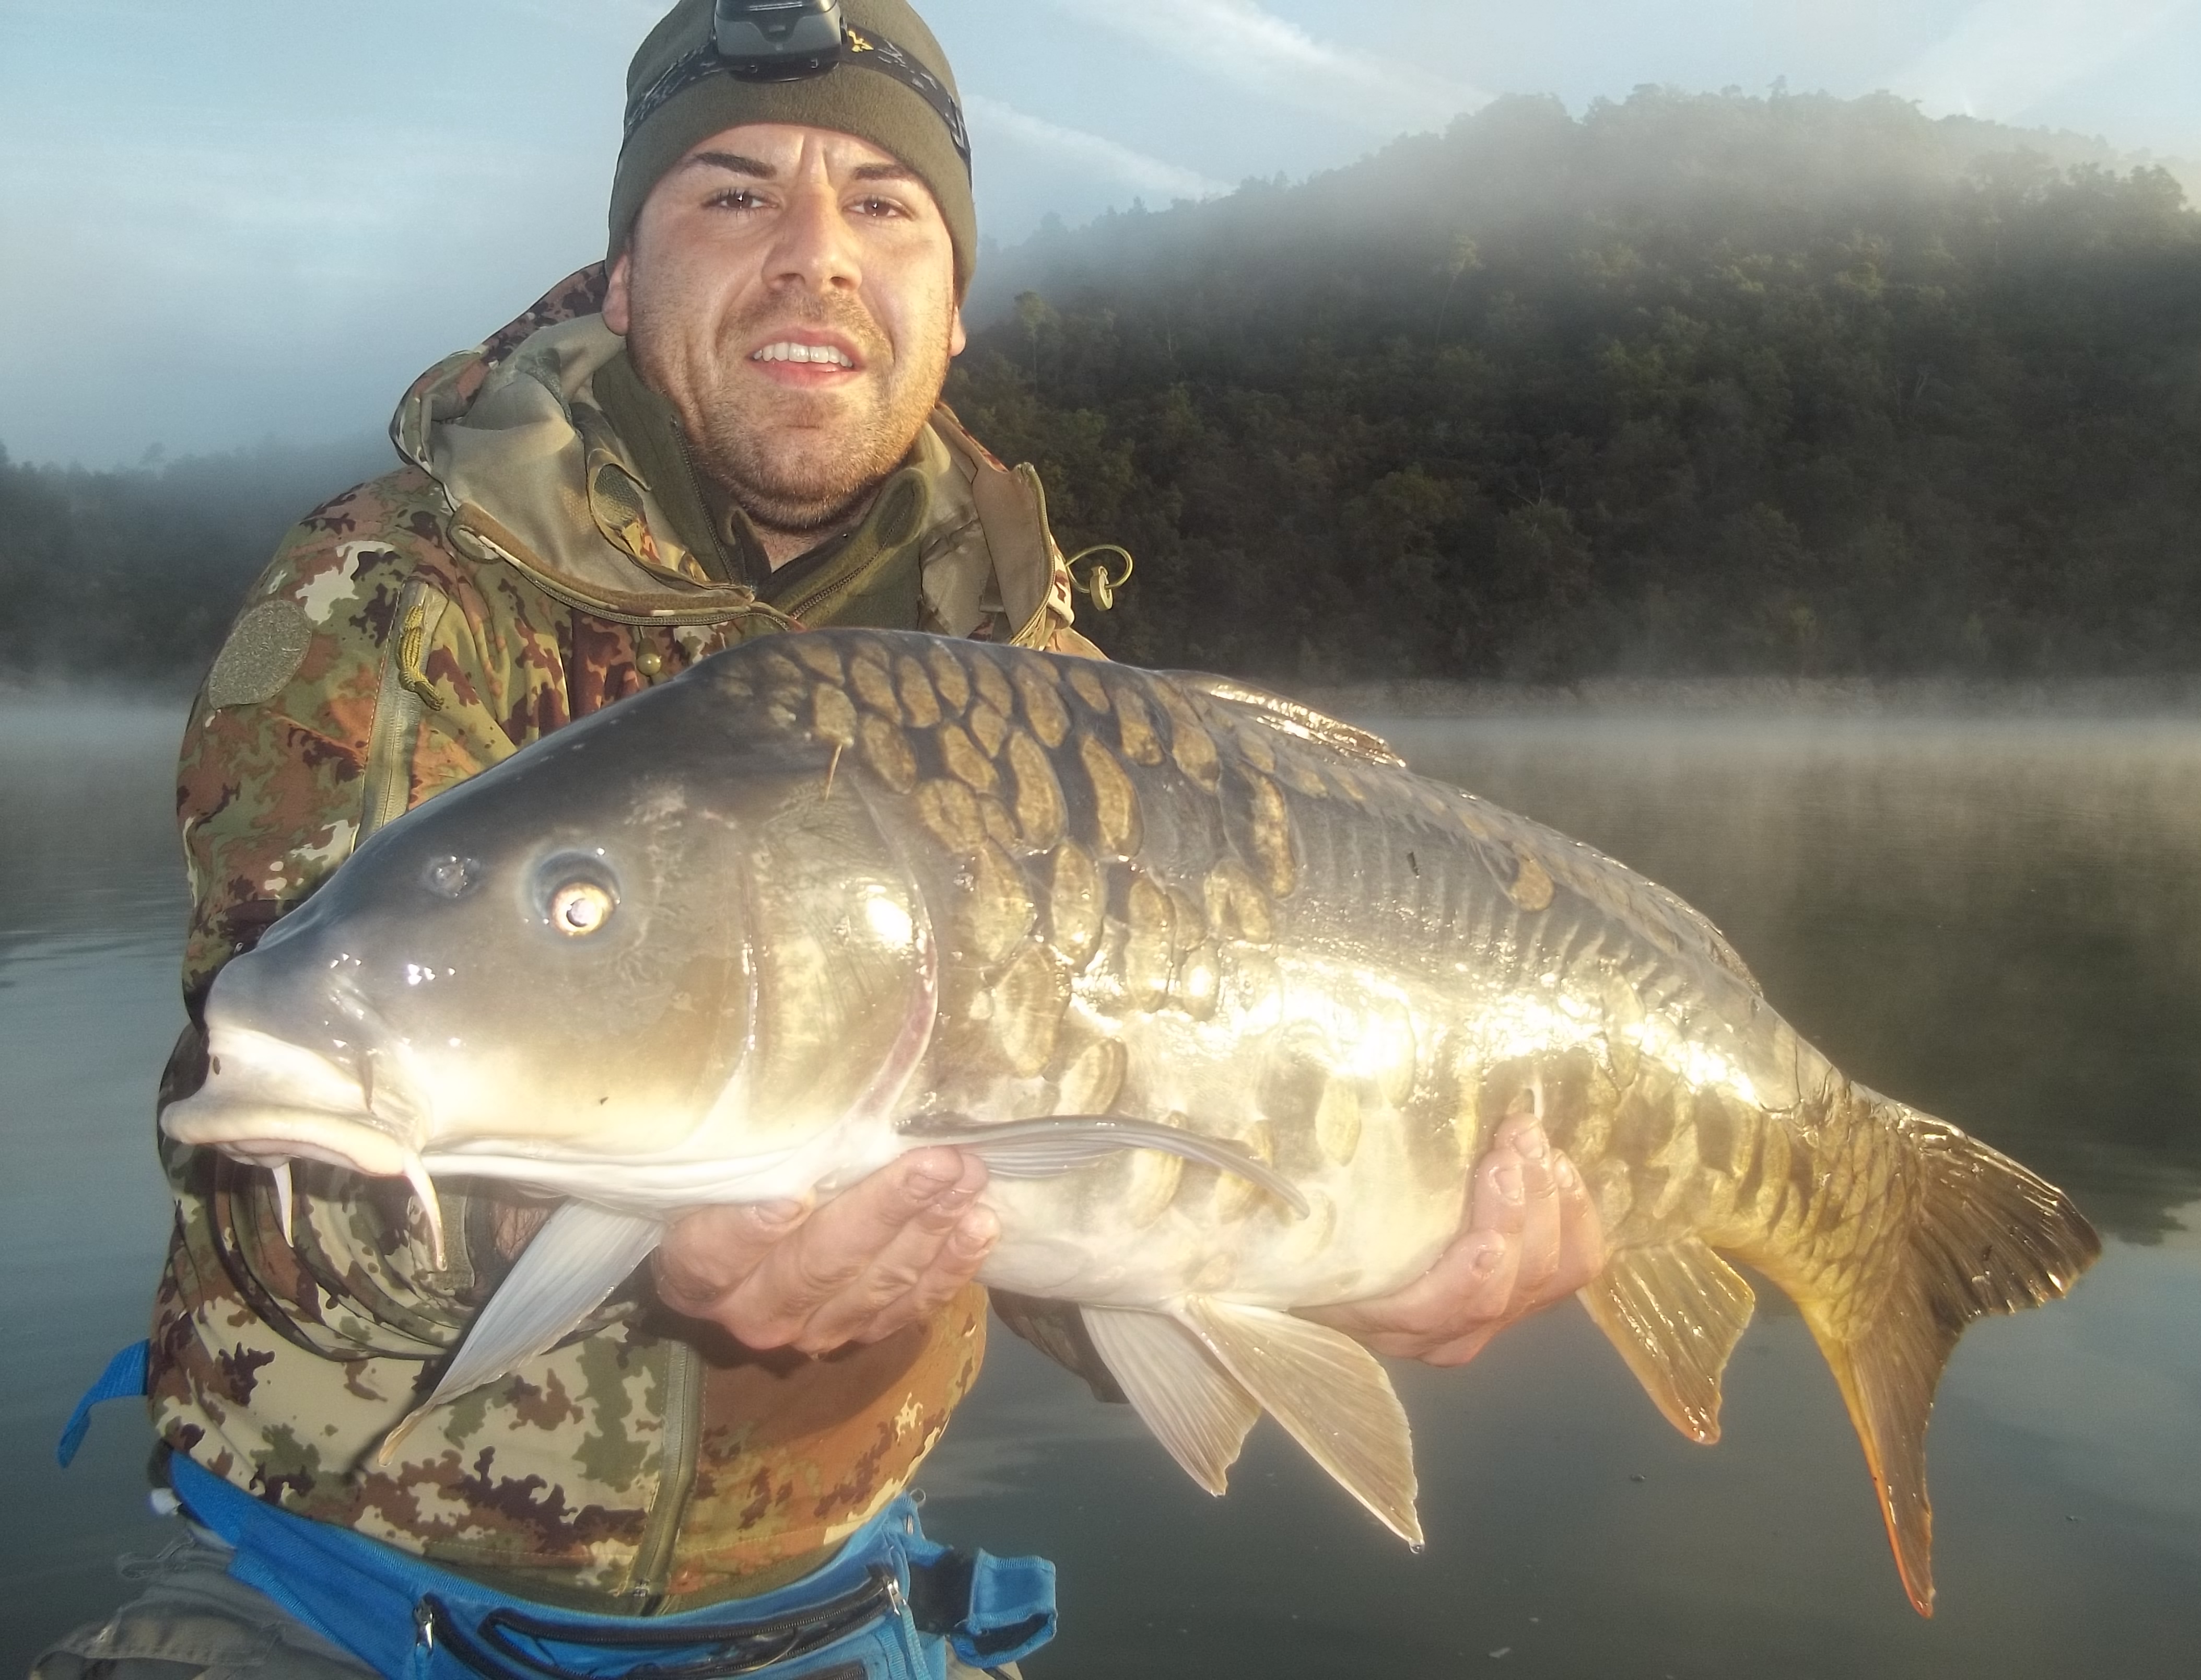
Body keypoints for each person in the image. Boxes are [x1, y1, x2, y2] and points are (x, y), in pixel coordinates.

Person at [36, 3, 1602, 1675]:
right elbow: (261, 1165)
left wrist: (1339, 1266)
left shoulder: (1041, 692)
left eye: (882, 203)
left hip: (828, 1610)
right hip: (334, 1597)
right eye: (734, 193)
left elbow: (1080, 1216)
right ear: (623, 277)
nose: (814, 256)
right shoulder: (394, 603)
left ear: (954, 303)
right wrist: (609, 1228)